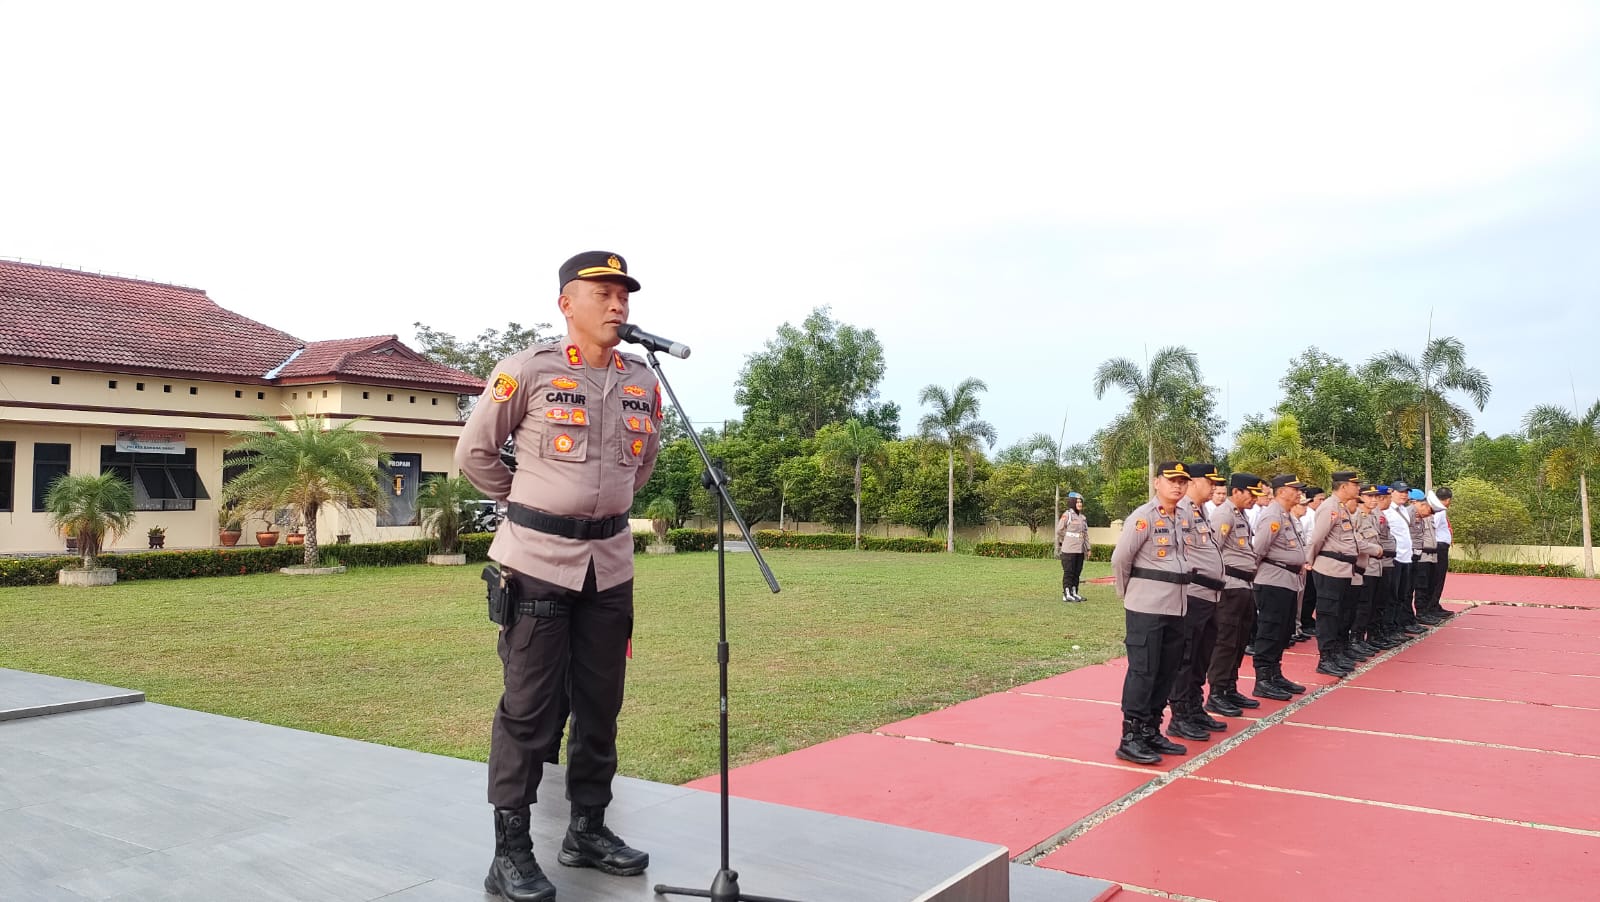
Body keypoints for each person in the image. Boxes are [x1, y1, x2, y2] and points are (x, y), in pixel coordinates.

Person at [457, 251, 662, 901]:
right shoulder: (528, 371)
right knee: (530, 711)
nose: (617, 304)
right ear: (566, 304)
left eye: (623, 294)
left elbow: (644, 464)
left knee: (601, 707)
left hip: (610, 567)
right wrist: (533, 506)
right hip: (537, 564)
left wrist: (601, 508)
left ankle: (587, 829)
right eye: (602, 292)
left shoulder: (641, 381)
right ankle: (509, 850)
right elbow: (475, 453)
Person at [1111, 462, 1195, 765]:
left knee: (1166, 670)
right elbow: (1120, 559)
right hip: (1146, 606)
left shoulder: (1184, 516)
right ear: (1157, 482)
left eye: (1183, 482)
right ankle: (1130, 736)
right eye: (1172, 480)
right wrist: (1128, 594)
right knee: (1143, 670)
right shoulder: (1143, 517)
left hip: (1177, 605)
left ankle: (1151, 729)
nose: (1178, 486)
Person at [1165, 464, 1229, 743]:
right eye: (1209, 481)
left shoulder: (1201, 511)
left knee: (1202, 656)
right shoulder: (1182, 512)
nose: (1214, 487)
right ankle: (1179, 715)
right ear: (1193, 483)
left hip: (1210, 596)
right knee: (1186, 658)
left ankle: (1194, 706)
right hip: (1194, 594)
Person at [1206, 474, 1265, 717]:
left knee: (1240, 640)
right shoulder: (1224, 513)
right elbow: (1214, 549)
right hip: (1229, 586)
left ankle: (1230, 686)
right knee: (1226, 641)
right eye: (1251, 493)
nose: (1254, 499)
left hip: (1244, 586)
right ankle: (1217, 692)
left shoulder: (1241, 515)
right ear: (1237, 491)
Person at [1249, 475, 1310, 700]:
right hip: (1272, 581)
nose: (1299, 493)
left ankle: (1275, 673)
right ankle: (1263, 679)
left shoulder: (1286, 515)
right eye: (1295, 489)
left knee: (1283, 631)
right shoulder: (1272, 515)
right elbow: (1258, 550)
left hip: (1287, 581)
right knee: (1270, 630)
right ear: (1282, 491)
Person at [1306, 471, 1365, 677]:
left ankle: (1336, 653)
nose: (1358, 488)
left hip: (1342, 569)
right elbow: (1316, 539)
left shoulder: (1341, 507)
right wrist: (1310, 561)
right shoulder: (1329, 507)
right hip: (1329, 567)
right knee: (1328, 615)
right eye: (1355, 484)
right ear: (1343, 486)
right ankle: (1326, 658)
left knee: (1339, 613)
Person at [1294, 487, 1325, 642]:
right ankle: (1299, 626)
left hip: (1309, 560)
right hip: (1304, 561)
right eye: (1320, 499)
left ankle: (1299, 626)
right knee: (1305, 596)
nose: (1322, 502)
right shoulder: (1305, 517)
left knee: (1307, 596)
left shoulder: (1309, 515)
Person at [1410, 491, 1442, 625]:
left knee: (1429, 585)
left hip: (1431, 555)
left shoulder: (1427, 516)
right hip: (1421, 555)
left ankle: (1426, 611)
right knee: (1421, 586)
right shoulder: (1413, 516)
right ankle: (1421, 612)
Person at [1426, 487, 1455, 619]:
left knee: (1437, 578)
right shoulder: (1440, 511)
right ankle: (1431, 607)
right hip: (1439, 547)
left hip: (1439, 546)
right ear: (1448, 500)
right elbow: (1434, 526)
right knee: (1437, 578)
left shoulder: (1438, 509)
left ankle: (1434, 604)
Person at [1056, 492, 1090, 603]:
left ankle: (1074, 592)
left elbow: (1085, 534)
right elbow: (1059, 530)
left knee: (1077, 572)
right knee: (1069, 572)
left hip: (1079, 550)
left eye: (1081, 502)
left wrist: (1088, 549)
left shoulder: (1082, 518)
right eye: (1078, 502)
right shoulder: (1068, 515)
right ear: (1073, 503)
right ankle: (1066, 594)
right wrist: (1067, 538)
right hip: (1069, 549)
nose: (1080, 504)